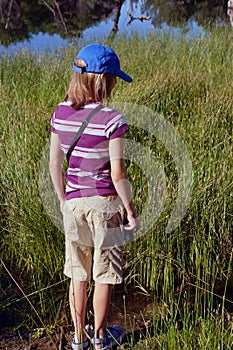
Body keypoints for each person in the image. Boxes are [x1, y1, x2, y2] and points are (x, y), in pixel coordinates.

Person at [49, 43, 139, 350]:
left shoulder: (60, 112)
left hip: (73, 205)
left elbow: (54, 165)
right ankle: (100, 338)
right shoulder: (112, 119)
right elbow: (118, 174)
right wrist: (129, 209)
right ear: (104, 81)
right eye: (113, 80)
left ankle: (78, 338)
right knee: (104, 273)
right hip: (105, 205)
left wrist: (64, 200)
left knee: (78, 273)